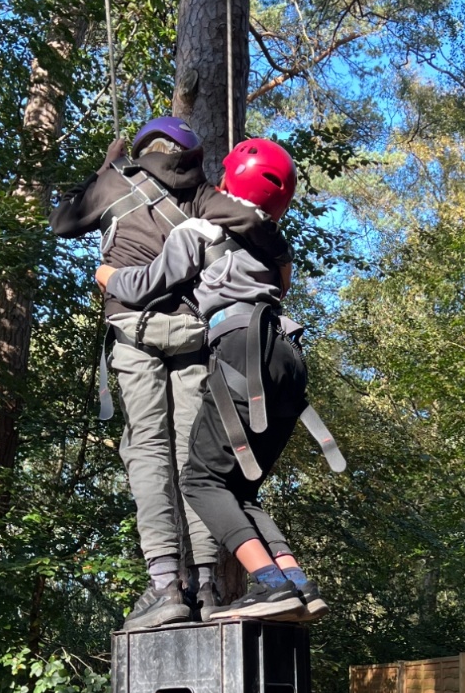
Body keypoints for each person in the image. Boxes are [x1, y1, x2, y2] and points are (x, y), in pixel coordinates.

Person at [51, 117, 292, 627]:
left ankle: (165, 586)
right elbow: (254, 221)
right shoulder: (203, 194)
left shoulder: (114, 182)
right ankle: (207, 586)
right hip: (191, 334)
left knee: (147, 450)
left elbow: (63, 222)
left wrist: (101, 170)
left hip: (133, 328)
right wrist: (280, 257)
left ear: (144, 149)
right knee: (195, 456)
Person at [98, 138, 329, 622]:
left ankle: (270, 586)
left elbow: (147, 285)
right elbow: (280, 285)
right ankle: (297, 584)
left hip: (242, 349)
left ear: (225, 181)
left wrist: (108, 277)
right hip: (286, 354)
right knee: (239, 489)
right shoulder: (277, 248)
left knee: (200, 480)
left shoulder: (199, 230)